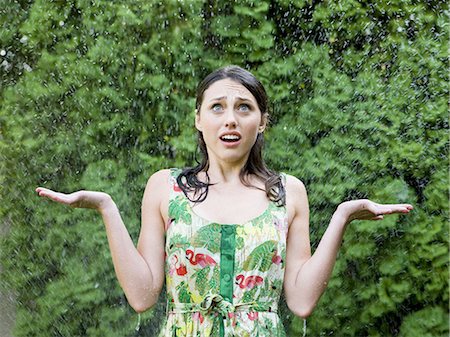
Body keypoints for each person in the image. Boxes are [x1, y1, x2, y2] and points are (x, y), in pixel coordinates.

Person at [36, 65, 413, 337]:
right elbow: (142, 296)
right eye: (217, 107)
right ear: (198, 119)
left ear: (262, 121)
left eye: (243, 107)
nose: (230, 119)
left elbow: (300, 302)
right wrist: (106, 208)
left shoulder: (288, 192)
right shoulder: (165, 188)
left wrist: (343, 216)